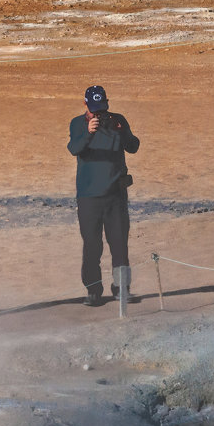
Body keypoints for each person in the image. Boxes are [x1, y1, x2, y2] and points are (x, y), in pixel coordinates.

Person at [67, 85, 141, 307]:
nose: (99, 115)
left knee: (119, 245)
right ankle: (93, 291)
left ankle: (122, 289)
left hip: (116, 196)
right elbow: (74, 148)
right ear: (85, 106)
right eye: (95, 110)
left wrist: (123, 132)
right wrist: (89, 133)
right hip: (89, 197)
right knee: (92, 245)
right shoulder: (77, 124)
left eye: (102, 109)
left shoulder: (118, 120)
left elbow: (134, 146)